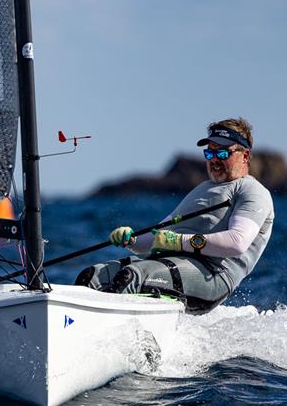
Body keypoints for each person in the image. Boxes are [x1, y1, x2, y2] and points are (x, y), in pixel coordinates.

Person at [76, 118, 274, 314]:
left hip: (212, 275)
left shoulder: (252, 191)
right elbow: (158, 237)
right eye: (210, 152)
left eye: (222, 152)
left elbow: (236, 243)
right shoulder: (202, 189)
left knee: (130, 277)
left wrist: (178, 242)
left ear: (245, 156)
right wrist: (131, 240)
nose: (214, 159)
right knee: (91, 276)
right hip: (168, 262)